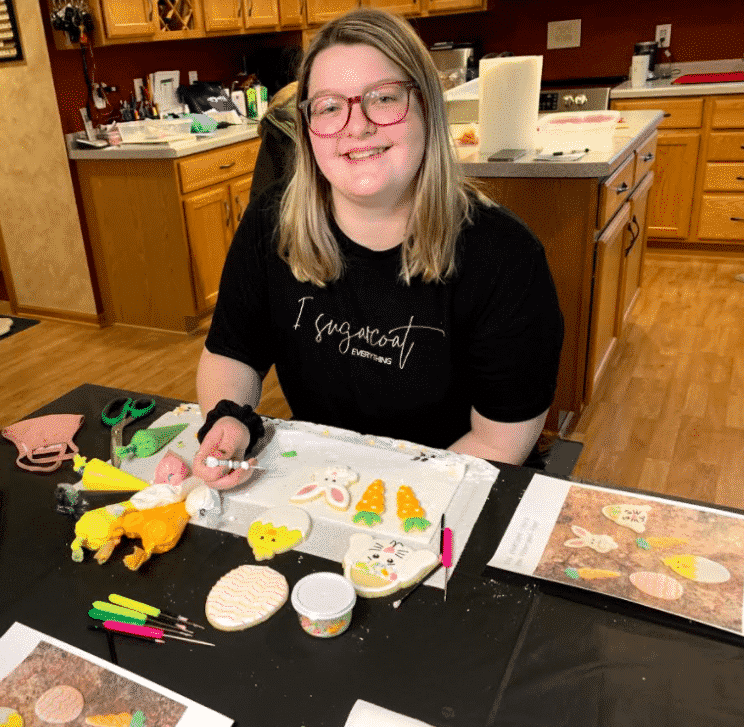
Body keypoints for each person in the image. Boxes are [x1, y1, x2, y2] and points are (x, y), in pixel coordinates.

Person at [193, 8, 563, 490]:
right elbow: (232, 352)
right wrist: (228, 419)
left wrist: (372, 504)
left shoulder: (506, 258)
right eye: (328, 106)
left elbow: (498, 445)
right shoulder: (271, 225)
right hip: (328, 484)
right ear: (307, 131)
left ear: (427, 108)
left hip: (457, 488)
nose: (356, 125)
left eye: (383, 98)